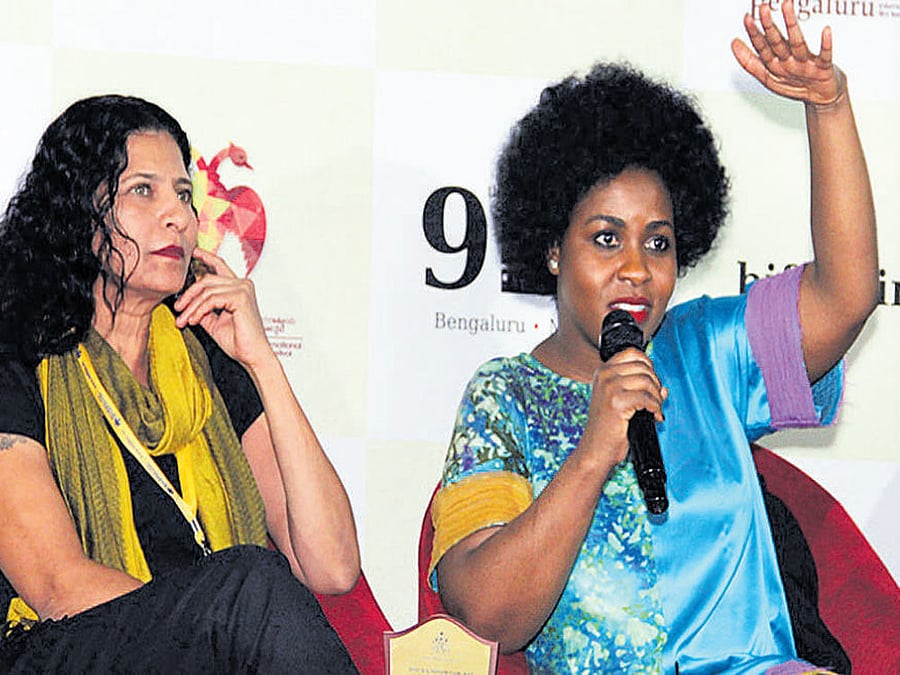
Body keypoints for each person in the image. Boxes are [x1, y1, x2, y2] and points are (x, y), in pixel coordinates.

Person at [429, 2, 875, 673]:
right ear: (552, 247)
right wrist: (592, 451)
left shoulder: (707, 350)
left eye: (658, 242)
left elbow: (845, 297)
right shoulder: (504, 397)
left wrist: (829, 107)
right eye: (606, 238)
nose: (637, 268)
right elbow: (489, 615)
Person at [0, 94, 360, 672]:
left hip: (211, 643)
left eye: (184, 194)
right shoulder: (17, 350)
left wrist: (261, 360)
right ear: (77, 210)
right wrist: (220, 633)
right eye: (144, 190)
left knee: (251, 588)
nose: (180, 217)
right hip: (63, 653)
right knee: (251, 588)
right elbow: (55, 585)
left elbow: (332, 567)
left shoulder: (207, 359)